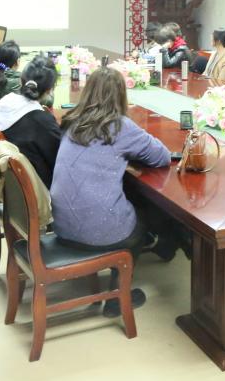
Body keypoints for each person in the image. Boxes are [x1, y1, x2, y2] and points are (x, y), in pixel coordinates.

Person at [51, 68, 172, 316]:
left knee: (127, 202)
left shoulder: (73, 121)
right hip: (96, 231)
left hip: (61, 225)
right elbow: (162, 156)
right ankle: (118, 297)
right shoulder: (119, 126)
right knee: (143, 217)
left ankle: (168, 245)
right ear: (120, 95)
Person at [0, 58, 62, 189]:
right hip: (38, 186)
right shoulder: (43, 122)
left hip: (10, 183)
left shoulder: (3, 105)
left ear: (21, 80)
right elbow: (60, 161)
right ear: (49, 90)